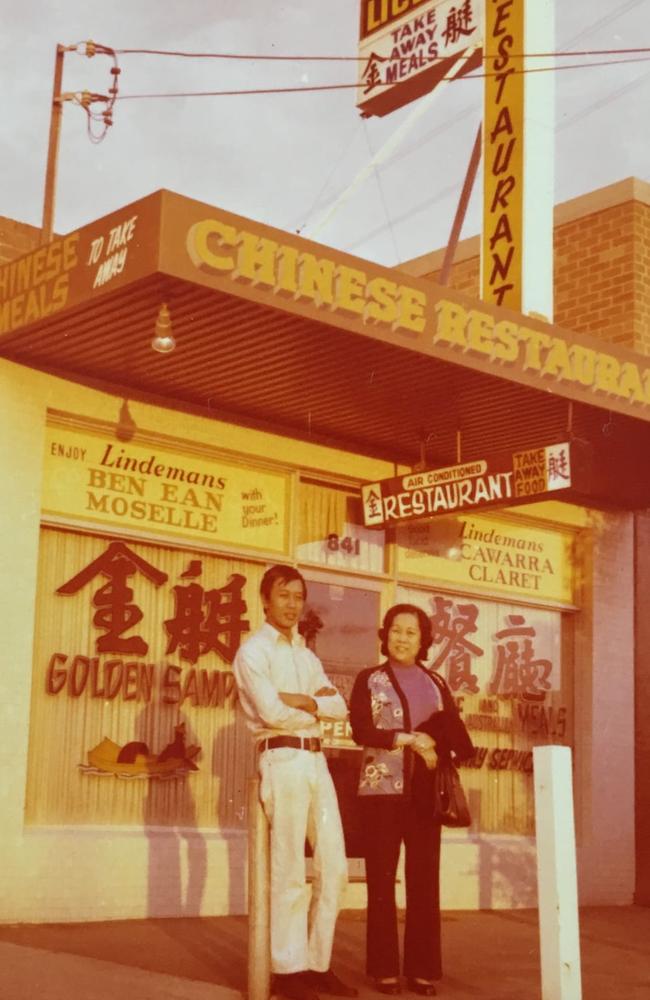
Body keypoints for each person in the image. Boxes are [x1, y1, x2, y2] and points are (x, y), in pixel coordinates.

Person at [233, 564, 358, 1000]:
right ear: (265, 599)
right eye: (283, 595)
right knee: (288, 869)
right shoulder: (252, 652)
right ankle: (287, 971)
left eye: (298, 596)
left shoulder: (307, 657)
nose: (291, 604)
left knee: (335, 868)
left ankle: (317, 962)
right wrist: (315, 708)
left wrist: (305, 700)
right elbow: (271, 712)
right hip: (282, 757)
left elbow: (340, 708)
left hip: (316, 762)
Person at [349, 603, 474, 997]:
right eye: (396, 630)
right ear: (385, 634)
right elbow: (361, 730)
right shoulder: (369, 679)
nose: (402, 638)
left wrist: (436, 742)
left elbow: (456, 732)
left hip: (425, 796)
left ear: (423, 641)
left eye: (412, 632)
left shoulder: (436, 681)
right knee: (381, 883)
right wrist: (410, 739)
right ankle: (384, 970)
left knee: (424, 883)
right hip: (381, 791)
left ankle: (422, 971)